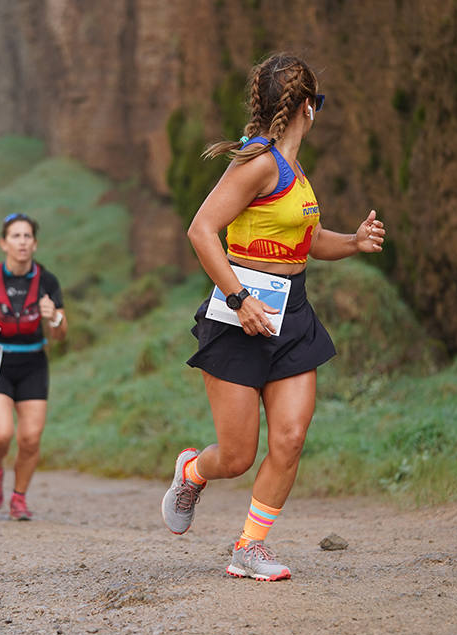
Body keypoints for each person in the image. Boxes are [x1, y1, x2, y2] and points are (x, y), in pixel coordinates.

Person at [160, 53, 386, 580]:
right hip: (238, 318)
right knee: (237, 456)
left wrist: (351, 242)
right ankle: (192, 470)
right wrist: (240, 299)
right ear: (310, 107)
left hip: (292, 315)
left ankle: (250, 546)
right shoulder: (257, 163)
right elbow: (201, 230)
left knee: (289, 438)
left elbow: (303, 243)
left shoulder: (296, 171)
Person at [0, 213, 67, 520]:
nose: (22, 242)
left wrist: (55, 318)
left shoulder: (47, 281)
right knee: (1, 434)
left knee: (30, 438)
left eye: (27, 236)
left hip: (33, 361)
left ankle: (18, 498)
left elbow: (60, 335)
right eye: (15, 236)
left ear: (35, 243)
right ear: (3, 243)